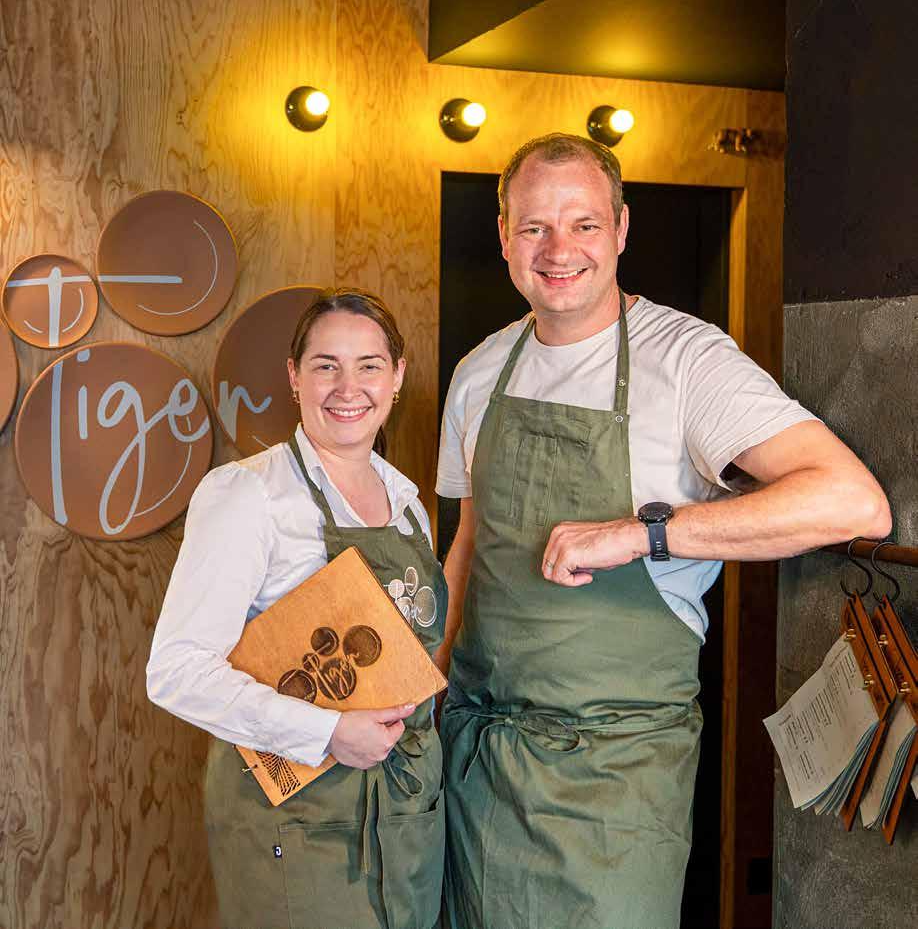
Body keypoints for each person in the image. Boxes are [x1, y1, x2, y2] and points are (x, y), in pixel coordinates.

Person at [435, 133, 891, 929]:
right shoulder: (479, 372)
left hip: (615, 779)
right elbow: (470, 545)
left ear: (621, 228)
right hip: (475, 761)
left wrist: (642, 534)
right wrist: (419, 695)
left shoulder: (686, 362)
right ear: (503, 235)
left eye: (583, 224)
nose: (558, 250)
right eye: (534, 226)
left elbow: (852, 501)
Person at [147, 289, 446, 929]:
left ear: (397, 376)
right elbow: (176, 670)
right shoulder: (250, 495)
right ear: (294, 376)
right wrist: (327, 733)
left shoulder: (408, 504)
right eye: (325, 365)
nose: (348, 387)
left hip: (404, 817)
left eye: (369, 366)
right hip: (296, 819)